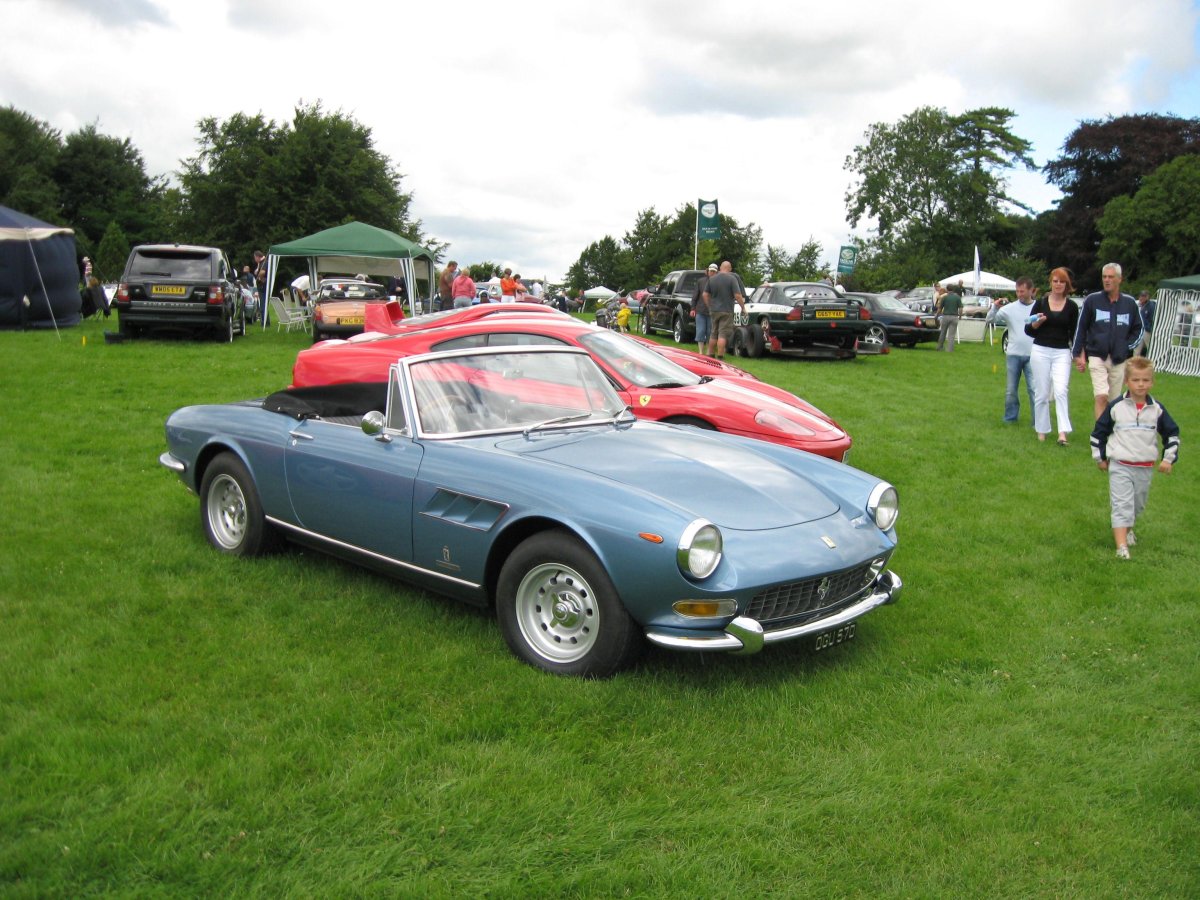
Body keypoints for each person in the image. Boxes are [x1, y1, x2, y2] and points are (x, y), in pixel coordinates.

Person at [1090, 357, 1179, 559]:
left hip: (1145, 467)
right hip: (1120, 465)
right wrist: (1099, 457)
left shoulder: (1157, 410)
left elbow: (1172, 434)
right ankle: (1121, 548)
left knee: (1136, 506)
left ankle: (1128, 530)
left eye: (1145, 380)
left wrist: (1168, 459)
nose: (1141, 384)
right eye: (1136, 380)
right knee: (1121, 505)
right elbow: (1098, 433)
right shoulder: (1116, 407)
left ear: (1152, 382)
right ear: (1126, 381)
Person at [1073, 262, 1143, 422]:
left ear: (1119, 279)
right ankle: (1099, 434)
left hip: (1119, 359)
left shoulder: (1129, 303)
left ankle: (1110, 430)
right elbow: (1081, 327)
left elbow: (1138, 329)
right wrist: (1077, 353)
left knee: (1114, 401)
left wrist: (1126, 346)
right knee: (1101, 396)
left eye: (1111, 277)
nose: (1107, 280)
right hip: (1097, 355)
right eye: (1104, 277)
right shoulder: (1092, 300)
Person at [1026, 267, 1080, 445]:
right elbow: (1028, 329)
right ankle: (1041, 430)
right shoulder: (1040, 303)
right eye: (1055, 281)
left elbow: (1075, 333)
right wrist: (1037, 323)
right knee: (1041, 393)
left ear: (1067, 285)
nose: (1058, 284)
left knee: (1061, 390)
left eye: (1062, 282)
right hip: (1040, 350)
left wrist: (1079, 354)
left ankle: (1062, 433)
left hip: (1062, 352)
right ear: (1050, 283)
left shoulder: (1072, 307)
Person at [986, 276, 1037, 424]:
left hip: (1033, 354)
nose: (1019, 294)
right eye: (1017, 291)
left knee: (1034, 389)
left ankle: (1037, 421)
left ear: (1031, 291)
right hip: (1013, 354)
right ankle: (1010, 417)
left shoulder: (1038, 307)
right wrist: (995, 307)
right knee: (1011, 390)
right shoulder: (1009, 308)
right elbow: (990, 320)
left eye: (1022, 291)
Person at [702, 261, 747, 359]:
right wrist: (743, 308)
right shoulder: (732, 279)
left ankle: (710, 354)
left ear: (720, 268)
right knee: (722, 334)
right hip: (727, 310)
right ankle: (720, 356)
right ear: (730, 269)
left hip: (714, 310)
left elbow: (705, 294)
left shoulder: (712, 279)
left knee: (713, 333)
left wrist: (709, 306)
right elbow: (737, 295)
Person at [692, 263, 717, 356]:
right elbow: (695, 295)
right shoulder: (701, 281)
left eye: (714, 271)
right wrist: (693, 308)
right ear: (707, 271)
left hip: (713, 312)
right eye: (711, 271)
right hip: (700, 310)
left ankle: (708, 352)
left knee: (710, 332)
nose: (712, 273)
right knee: (700, 331)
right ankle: (701, 351)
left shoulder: (718, 282)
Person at [936, 283, 962, 351]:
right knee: (951, 335)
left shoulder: (944, 297)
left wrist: (936, 315)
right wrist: (960, 316)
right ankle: (950, 349)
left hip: (945, 316)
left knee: (943, 332)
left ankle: (939, 347)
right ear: (953, 289)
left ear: (947, 289)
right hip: (954, 317)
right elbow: (960, 308)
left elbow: (940, 308)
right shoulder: (957, 297)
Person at [1137, 289, 1156, 356]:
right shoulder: (1140, 305)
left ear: (1147, 297)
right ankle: (1135, 362)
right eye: (1141, 296)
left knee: (1150, 348)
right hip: (1140, 330)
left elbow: (1152, 318)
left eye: (1144, 296)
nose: (1141, 298)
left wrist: (1150, 328)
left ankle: (1152, 361)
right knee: (1136, 349)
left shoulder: (1151, 306)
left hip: (1147, 330)